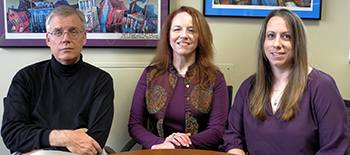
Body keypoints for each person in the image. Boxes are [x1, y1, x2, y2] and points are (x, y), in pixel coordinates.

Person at [219, 9, 349, 155]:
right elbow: (233, 136)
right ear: (263, 42)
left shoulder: (322, 86)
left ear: (298, 43)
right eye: (270, 36)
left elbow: (334, 149)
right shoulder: (248, 87)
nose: (277, 43)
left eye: (286, 36)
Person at [1, 5, 114, 155]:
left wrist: (40, 141)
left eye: (73, 32)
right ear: (48, 39)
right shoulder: (25, 78)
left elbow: (95, 141)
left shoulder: (101, 81)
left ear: (84, 37)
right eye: (57, 32)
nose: (65, 39)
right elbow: (12, 135)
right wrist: (64, 138)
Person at [128, 6, 229, 150]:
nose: (184, 35)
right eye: (177, 29)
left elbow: (217, 131)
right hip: (158, 151)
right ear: (168, 36)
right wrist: (160, 145)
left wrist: (175, 145)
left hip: (199, 152)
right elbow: (135, 125)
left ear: (200, 38)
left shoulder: (215, 78)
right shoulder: (150, 75)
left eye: (191, 30)